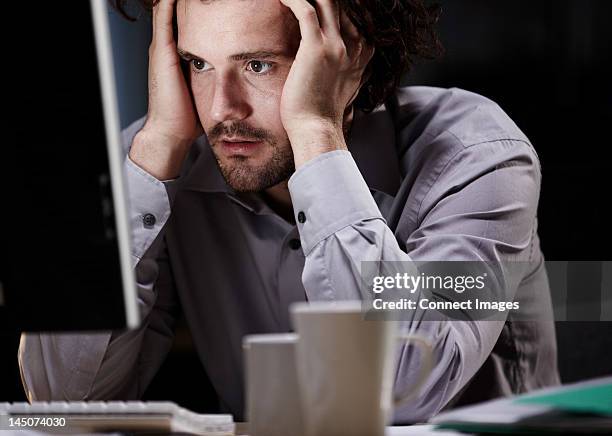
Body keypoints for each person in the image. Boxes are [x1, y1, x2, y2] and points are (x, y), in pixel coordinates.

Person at [19, 0, 560, 423]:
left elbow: (397, 390)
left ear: (348, 53)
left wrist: (316, 135)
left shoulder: (479, 158)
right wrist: (157, 147)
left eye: (258, 64)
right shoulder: (158, 158)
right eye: (197, 64)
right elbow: (61, 403)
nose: (221, 109)